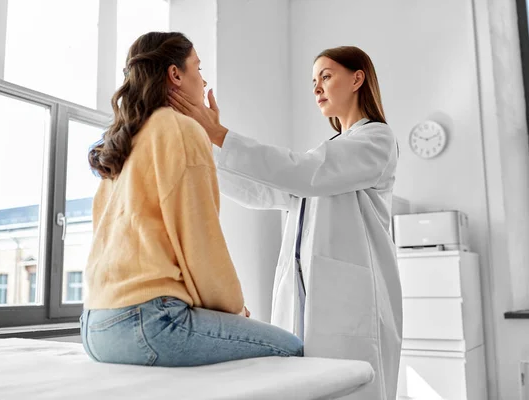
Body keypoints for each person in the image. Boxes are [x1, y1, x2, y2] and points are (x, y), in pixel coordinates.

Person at [167, 46, 402, 399]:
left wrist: (219, 134)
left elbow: (304, 172)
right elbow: (265, 192)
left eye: (326, 76)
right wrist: (207, 144)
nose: (317, 88)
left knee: (349, 388)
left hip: (352, 300)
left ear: (357, 78)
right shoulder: (327, 154)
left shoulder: (376, 140)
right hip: (307, 296)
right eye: (313, 81)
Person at [80, 31, 303, 368]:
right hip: (147, 322)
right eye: (198, 69)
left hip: (95, 326)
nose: (202, 81)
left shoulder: (123, 139)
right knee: (293, 349)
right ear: (175, 74)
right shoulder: (180, 130)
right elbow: (200, 240)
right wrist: (234, 310)